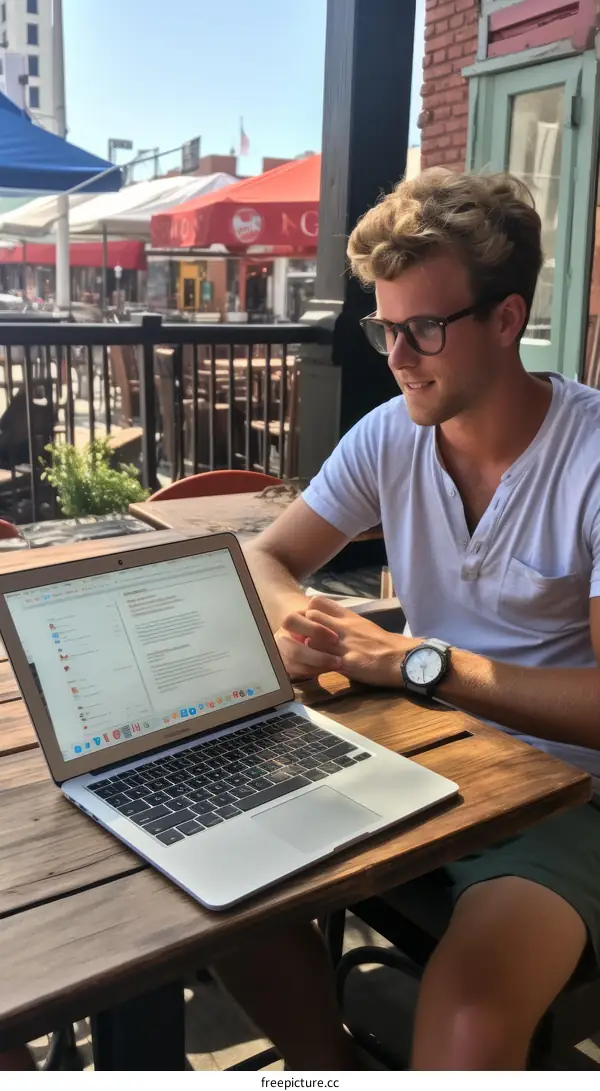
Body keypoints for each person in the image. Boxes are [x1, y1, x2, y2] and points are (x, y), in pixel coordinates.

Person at [212, 169, 600, 1071]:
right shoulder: (394, 432)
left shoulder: (587, 458)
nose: (397, 355)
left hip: (565, 797)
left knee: (465, 1032)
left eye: (423, 327)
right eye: (384, 326)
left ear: (506, 319)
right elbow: (268, 557)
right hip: (410, 757)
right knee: (213, 894)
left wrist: (418, 661)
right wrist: (308, 624)